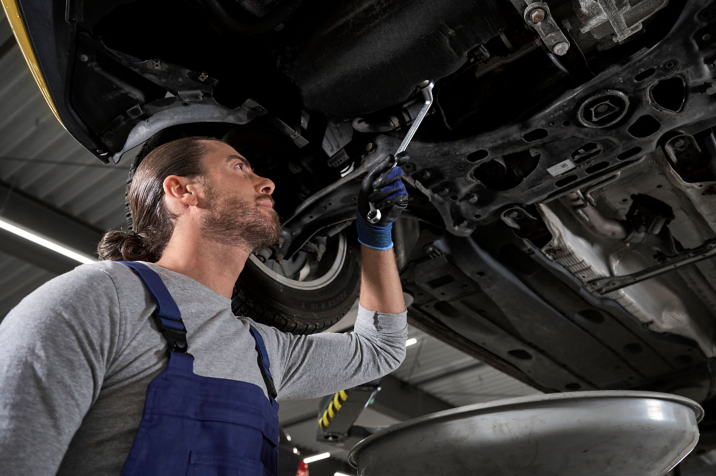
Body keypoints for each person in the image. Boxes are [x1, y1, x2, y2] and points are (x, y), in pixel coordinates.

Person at [0, 136, 410, 476]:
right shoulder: (102, 298)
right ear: (182, 190)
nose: (266, 182)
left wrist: (374, 233)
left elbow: (382, 348)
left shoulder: (264, 351)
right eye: (239, 167)